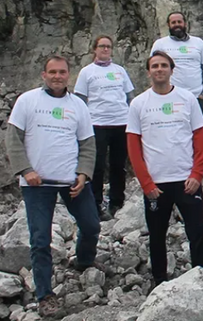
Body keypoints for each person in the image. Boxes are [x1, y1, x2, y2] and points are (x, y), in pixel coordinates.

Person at [5, 56, 100, 318]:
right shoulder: (28, 101)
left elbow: (88, 143)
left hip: (71, 180)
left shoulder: (78, 105)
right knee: (40, 240)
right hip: (37, 183)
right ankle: (45, 294)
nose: (58, 76)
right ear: (43, 75)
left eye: (62, 72)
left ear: (68, 75)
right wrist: (26, 170)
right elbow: (12, 139)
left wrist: (83, 174)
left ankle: (83, 260)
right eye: (52, 72)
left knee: (91, 225)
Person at [127, 51, 203, 286]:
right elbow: (133, 147)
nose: (159, 69)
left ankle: (201, 277)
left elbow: (200, 139)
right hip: (156, 184)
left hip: (186, 179)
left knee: (197, 232)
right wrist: (146, 183)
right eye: (155, 66)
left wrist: (197, 174)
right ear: (148, 72)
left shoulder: (187, 99)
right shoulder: (139, 104)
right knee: (157, 235)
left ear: (172, 70)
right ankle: (159, 280)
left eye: (164, 65)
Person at [150, 11, 203, 183]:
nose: (177, 24)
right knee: (171, 132)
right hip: (170, 97)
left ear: (185, 23)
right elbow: (155, 69)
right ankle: (175, 171)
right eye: (173, 22)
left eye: (179, 21)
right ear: (168, 25)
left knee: (201, 134)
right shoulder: (160, 44)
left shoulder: (198, 43)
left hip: (195, 98)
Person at [74, 35, 135, 221]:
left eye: (108, 46)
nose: (106, 50)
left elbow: (129, 96)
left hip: (120, 123)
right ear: (95, 49)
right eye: (102, 46)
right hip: (96, 124)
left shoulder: (120, 71)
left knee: (118, 165)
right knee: (97, 165)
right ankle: (95, 203)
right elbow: (79, 100)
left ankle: (117, 201)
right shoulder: (86, 72)